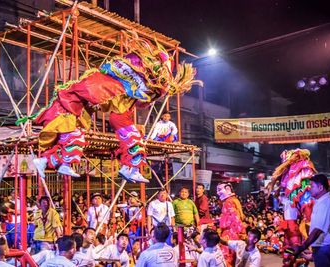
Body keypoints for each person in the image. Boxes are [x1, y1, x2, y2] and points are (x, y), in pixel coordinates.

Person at [29, 32, 201, 183]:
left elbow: (118, 116)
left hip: (89, 107)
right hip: (70, 106)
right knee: (75, 137)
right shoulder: (109, 81)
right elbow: (89, 94)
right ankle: (48, 161)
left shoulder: (126, 93)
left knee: (134, 137)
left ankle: (129, 168)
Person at [292, 174, 330, 267]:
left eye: (312, 186)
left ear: (320, 188)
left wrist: (302, 247)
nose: (309, 188)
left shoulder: (325, 204)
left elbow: (318, 230)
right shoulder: (321, 202)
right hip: (323, 248)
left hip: (326, 249)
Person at [216, 182, 244, 266]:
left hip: (230, 232)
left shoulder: (229, 202)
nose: (218, 192)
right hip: (235, 232)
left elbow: (235, 218)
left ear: (228, 189)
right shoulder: (234, 200)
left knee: (227, 257)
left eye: (219, 190)